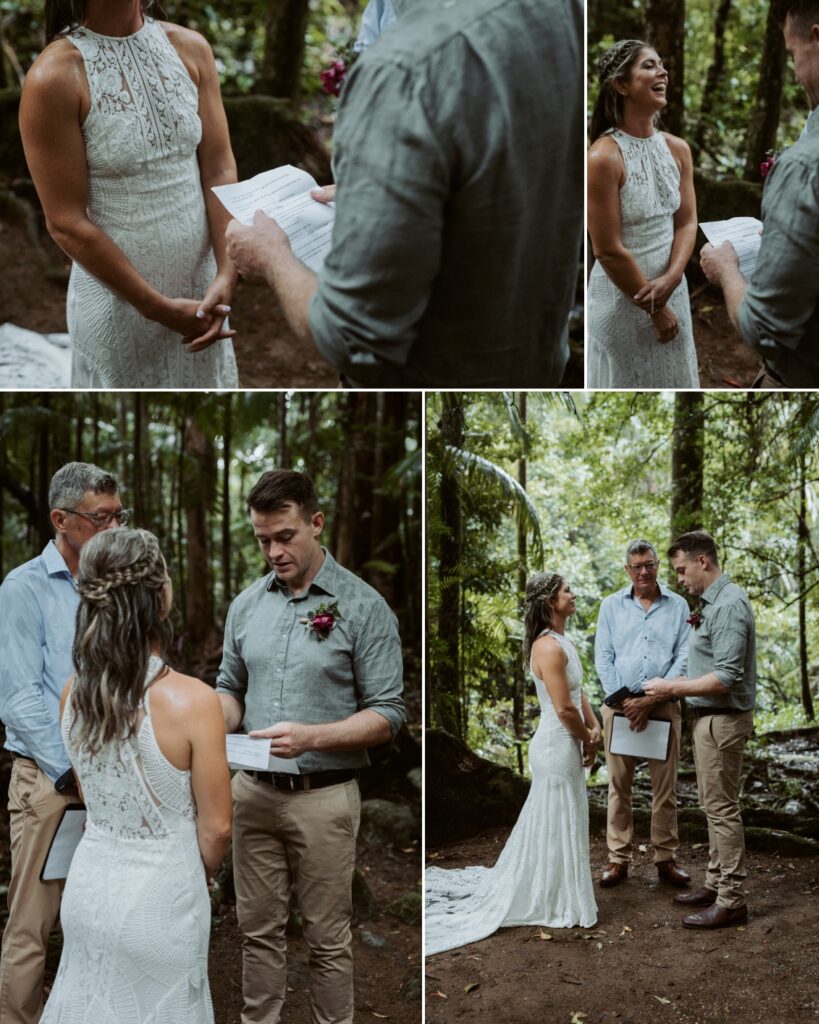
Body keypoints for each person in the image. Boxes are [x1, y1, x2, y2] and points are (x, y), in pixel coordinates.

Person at [225, 0, 583, 387]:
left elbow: (353, 337)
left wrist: (272, 256)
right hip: (535, 360)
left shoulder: (405, 67)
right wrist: (398, 184)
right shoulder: (558, 9)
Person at [215, 469, 405, 1024]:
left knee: (327, 938)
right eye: (262, 539)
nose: (273, 551)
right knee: (257, 934)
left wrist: (312, 737)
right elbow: (230, 688)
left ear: (316, 523)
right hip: (250, 794)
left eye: (285, 536)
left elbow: (390, 713)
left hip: (324, 797)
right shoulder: (246, 606)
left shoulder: (363, 607)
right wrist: (213, 720)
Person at [40, 528, 232, 1022]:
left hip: (87, 895)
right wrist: (189, 878)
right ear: (159, 597)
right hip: (161, 901)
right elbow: (217, 828)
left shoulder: (71, 695)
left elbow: (90, 793)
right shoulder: (193, 701)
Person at [18, 0, 239, 387]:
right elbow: (66, 222)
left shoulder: (192, 48)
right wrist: (156, 307)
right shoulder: (53, 77)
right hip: (120, 307)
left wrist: (226, 272)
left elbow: (219, 167)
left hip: (204, 291)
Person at [0, 461, 123, 1024]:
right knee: (32, 926)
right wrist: (70, 770)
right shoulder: (23, 588)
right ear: (62, 520)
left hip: (115, 784)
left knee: (99, 922)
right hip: (51, 783)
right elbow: (19, 699)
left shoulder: (114, 590)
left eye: (120, 517)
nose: (114, 529)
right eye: (102, 519)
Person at [425, 572, 600, 957]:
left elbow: (578, 691)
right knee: (558, 816)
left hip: (568, 740)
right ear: (550, 602)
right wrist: (588, 736)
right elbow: (563, 707)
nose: (572, 594)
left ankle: (557, 885)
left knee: (562, 817)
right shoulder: (547, 648)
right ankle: (550, 895)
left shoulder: (562, 640)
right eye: (566, 590)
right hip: (556, 745)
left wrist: (596, 724)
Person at [699, 0, 819, 387]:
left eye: (793, 54)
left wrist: (726, 270)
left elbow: (765, 329)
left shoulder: (809, 165)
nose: (796, 74)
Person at [645, 531, 756, 930]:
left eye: (680, 569)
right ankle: (714, 883)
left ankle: (732, 900)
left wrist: (671, 687)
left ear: (702, 561)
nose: (678, 578)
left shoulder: (729, 606)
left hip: (723, 719)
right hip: (708, 720)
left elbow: (726, 676)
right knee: (712, 806)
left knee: (722, 809)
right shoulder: (710, 605)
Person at [587, 39, 700, 388]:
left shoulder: (678, 149)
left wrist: (672, 279)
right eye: (649, 65)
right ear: (621, 85)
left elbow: (686, 221)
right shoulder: (603, 157)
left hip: (673, 291)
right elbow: (606, 248)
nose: (662, 71)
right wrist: (654, 307)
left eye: (662, 64)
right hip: (624, 301)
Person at [594, 540, 691, 890]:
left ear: (657, 566)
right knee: (619, 786)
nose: (643, 572)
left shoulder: (678, 605)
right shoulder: (610, 606)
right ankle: (618, 859)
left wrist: (651, 697)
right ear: (627, 570)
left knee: (665, 789)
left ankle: (665, 859)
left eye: (649, 565)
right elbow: (603, 657)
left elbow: (685, 656)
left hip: (664, 704)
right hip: (619, 709)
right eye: (636, 567)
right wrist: (627, 702)